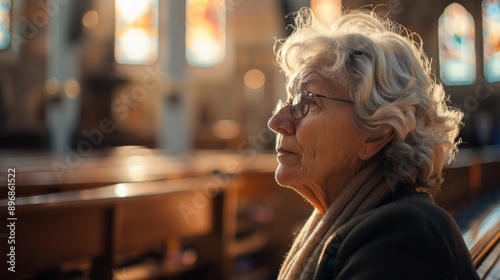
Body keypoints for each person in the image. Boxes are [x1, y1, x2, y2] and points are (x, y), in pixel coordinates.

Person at [267, 7, 480, 280]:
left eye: (306, 102)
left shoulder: (404, 239)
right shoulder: (382, 224)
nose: (276, 121)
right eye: (289, 100)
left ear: (376, 134)